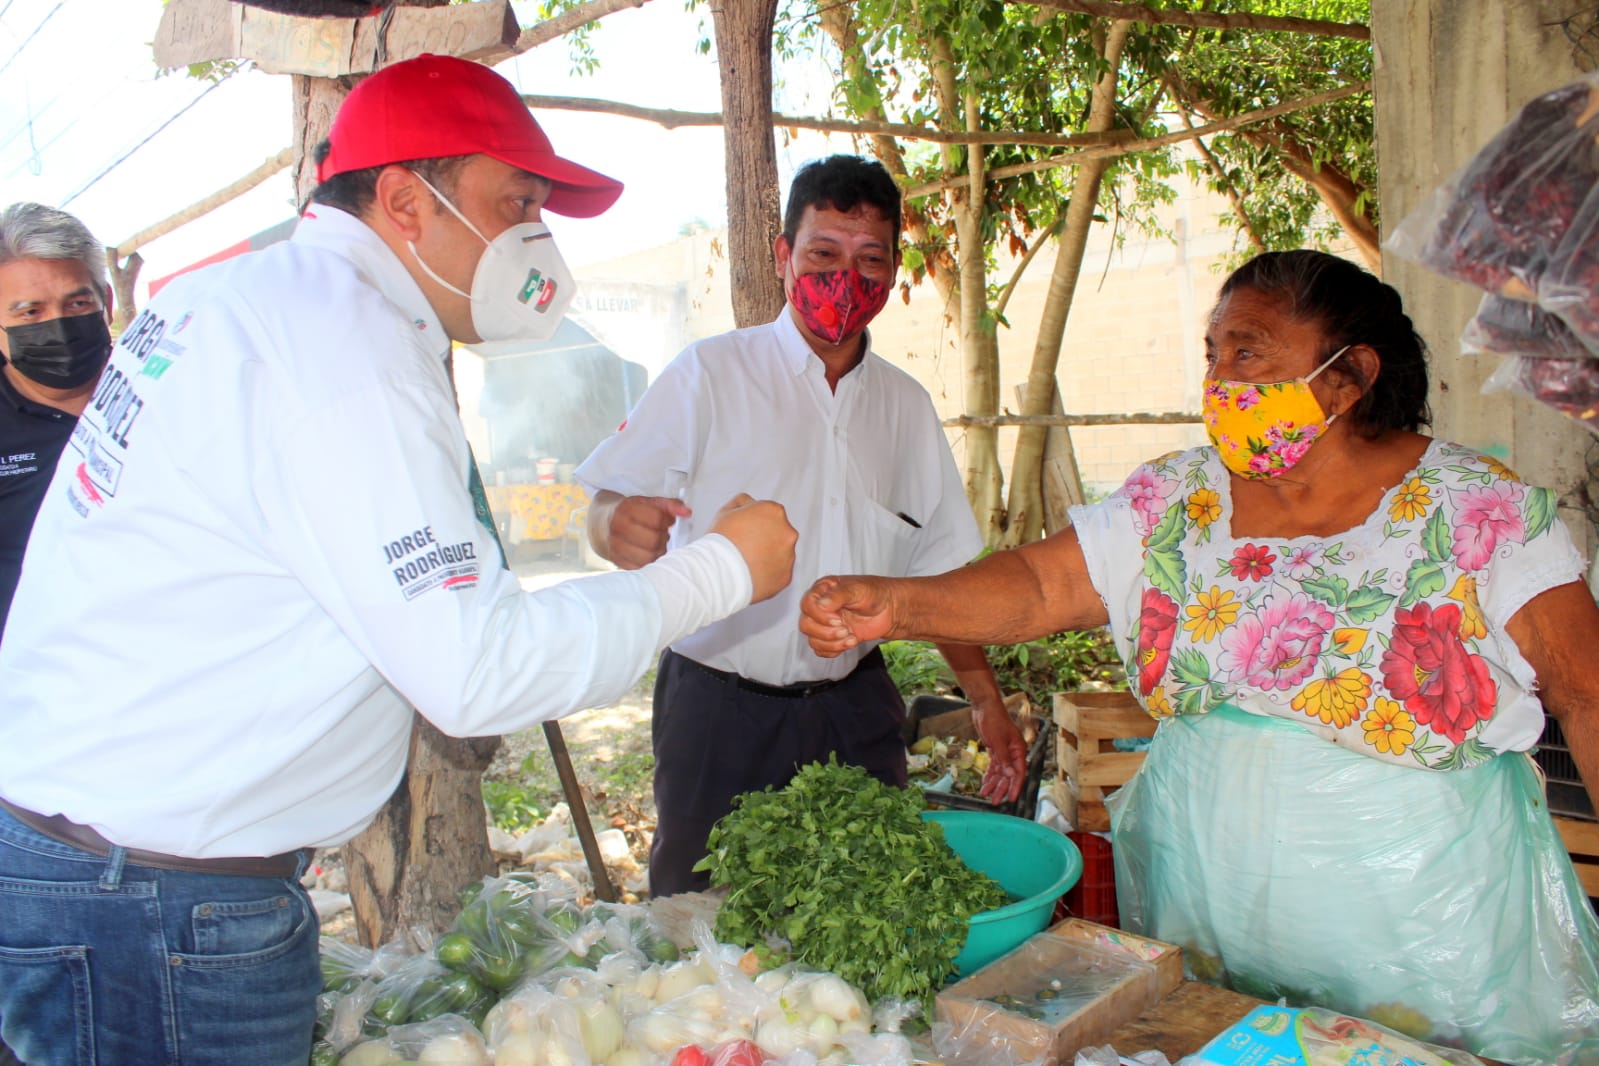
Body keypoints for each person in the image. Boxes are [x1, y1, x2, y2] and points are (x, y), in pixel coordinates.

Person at [0, 54, 796, 1065]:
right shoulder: (347, 351)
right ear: (406, 202)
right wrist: (721, 570)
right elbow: (478, 670)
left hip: (107, 867)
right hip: (151, 908)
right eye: (516, 203)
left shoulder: (241, 297)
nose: (536, 239)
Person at [801, 250, 1599, 1065]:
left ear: (1349, 375)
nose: (1218, 380)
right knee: (1217, 1041)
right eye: (1213, 354)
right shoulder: (1177, 498)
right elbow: (1041, 586)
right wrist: (900, 605)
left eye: (1247, 353)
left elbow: (1586, 692)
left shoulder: (1479, 508)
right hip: (1212, 914)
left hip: (1425, 937)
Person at [577, 154, 1028, 898]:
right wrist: (612, 524)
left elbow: (943, 574)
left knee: (870, 909)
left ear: (892, 273)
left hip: (856, 711)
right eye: (823, 254)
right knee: (699, 916)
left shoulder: (905, 408)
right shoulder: (709, 374)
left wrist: (985, 701)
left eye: (869, 260)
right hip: (718, 711)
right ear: (784, 255)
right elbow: (604, 504)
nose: (845, 279)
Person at [0, 203, 112, 645]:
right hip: (37, 670)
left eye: (77, 303)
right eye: (30, 312)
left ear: (106, 301)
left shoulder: (166, 388)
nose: (58, 325)